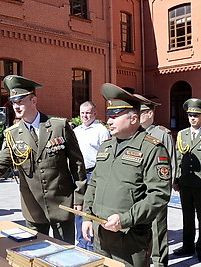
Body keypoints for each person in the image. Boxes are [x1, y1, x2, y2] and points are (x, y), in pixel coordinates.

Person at [0, 75, 87, 244]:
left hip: (62, 203)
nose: (16, 106)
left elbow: (77, 164)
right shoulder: (12, 133)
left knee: (66, 253)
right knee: (35, 252)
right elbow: (1, 162)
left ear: (34, 100)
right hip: (33, 208)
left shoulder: (58, 126)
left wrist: (80, 197)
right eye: (13, 102)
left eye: (20, 101)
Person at [81, 83, 171, 266]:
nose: (109, 121)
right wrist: (87, 217)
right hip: (101, 235)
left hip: (130, 237)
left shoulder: (152, 148)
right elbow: (94, 183)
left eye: (115, 116)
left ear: (133, 119)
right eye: (109, 116)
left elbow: (159, 195)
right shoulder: (106, 146)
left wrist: (125, 220)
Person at [136, 94, 176, 266]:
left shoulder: (162, 134)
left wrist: (166, 189)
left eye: (142, 112)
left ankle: (159, 261)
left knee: (158, 228)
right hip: (138, 189)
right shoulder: (134, 134)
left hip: (156, 189)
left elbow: (171, 162)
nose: (137, 115)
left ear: (150, 114)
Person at [73, 101, 110, 251]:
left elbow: (107, 153)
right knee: (78, 207)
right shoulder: (76, 131)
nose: (85, 115)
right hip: (77, 174)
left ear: (95, 113)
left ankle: (91, 243)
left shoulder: (101, 130)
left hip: (93, 173)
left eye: (88, 112)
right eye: (82, 113)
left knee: (91, 208)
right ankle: (81, 241)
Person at [173, 98, 201, 261]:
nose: (193, 118)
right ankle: (188, 245)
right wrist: (176, 180)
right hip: (185, 183)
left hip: (200, 183)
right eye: (190, 115)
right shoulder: (182, 134)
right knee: (187, 216)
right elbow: (177, 158)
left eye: (196, 115)